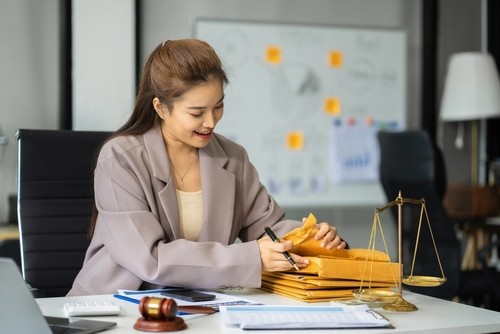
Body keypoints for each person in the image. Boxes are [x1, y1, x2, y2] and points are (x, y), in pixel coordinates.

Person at [67, 39, 347, 296]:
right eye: (197, 113)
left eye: (219, 107)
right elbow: (149, 259)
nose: (211, 122)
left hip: (200, 308)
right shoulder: (120, 158)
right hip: (116, 307)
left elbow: (269, 229)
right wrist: (250, 258)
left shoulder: (232, 157)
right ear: (161, 108)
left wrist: (312, 236)